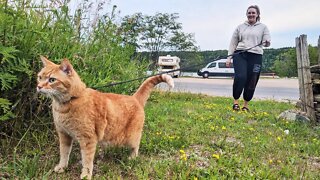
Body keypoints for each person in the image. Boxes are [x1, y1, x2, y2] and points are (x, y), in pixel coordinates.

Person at [226, 5, 271, 111]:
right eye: (249, 13)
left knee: (252, 80)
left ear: (257, 15)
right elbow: (233, 43)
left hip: (256, 56)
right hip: (240, 54)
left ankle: (245, 105)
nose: (251, 14)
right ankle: (236, 102)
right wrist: (229, 57)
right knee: (241, 77)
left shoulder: (263, 27)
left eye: (253, 13)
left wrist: (267, 42)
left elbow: (267, 42)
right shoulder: (240, 27)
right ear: (246, 14)